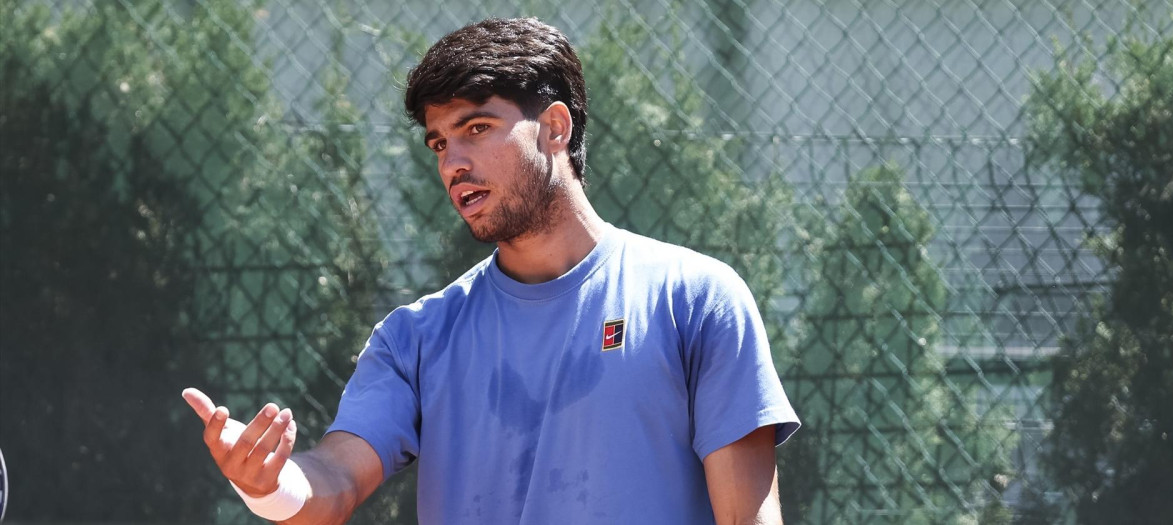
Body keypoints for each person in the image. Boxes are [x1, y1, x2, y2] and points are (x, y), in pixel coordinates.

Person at [183, 17, 800, 524]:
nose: (452, 162)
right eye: (438, 142)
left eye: (476, 128)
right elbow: (334, 481)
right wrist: (270, 485)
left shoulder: (695, 300)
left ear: (554, 128)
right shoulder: (413, 338)